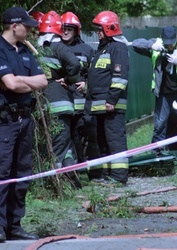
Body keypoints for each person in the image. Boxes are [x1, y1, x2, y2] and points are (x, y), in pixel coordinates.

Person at [0, 6, 47, 243]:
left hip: (25, 120)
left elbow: (43, 81)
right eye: (26, 26)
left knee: (21, 175)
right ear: (14, 25)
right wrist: (19, 82)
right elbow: (10, 85)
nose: (29, 30)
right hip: (4, 122)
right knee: (1, 174)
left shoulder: (25, 52)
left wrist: (19, 80)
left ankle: (14, 225)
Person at [131, 26, 177, 163]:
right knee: (159, 124)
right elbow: (135, 44)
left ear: (176, 38)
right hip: (164, 92)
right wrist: (152, 45)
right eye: (167, 42)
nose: (169, 45)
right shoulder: (157, 44)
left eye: (171, 42)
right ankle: (156, 154)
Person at [37, 11, 82, 188]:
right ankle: (54, 184)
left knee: (61, 143)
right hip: (61, 105)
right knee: (61, 144)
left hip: (43, 104)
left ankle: (70, 178)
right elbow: (75, 63)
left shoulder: (36, 46)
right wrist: (69, 79)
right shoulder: (58, 45)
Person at [86, 11, 130, 185]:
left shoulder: (118, 48)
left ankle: (119, 177)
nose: (98, 32)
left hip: (111, 105)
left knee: (115, 140)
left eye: (100, 28)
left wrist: (112, 100)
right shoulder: (102, 49)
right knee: (102, 141)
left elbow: (120, 78)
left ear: (109, 28)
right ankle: (105, 175)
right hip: (99, 106)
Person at [59, 12, 101, 180]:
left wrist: (86, 84)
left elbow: (97, 74)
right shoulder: (54, 48)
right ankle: (74, 174)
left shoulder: (87, 50)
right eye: (63, 29)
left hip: (83, 104)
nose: (66, 32)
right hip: (64, 104)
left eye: (69, 29)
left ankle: (96, 174)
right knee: (70, 140)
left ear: (76, 31)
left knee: (91, 139)